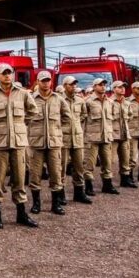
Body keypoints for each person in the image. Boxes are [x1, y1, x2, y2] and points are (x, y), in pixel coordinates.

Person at [0, 64, 39, 229]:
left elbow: (33, 111)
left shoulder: (22, 93)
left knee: (19, 179)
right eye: (4, 73)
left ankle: (21, 213)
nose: (7, 76)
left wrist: (21, 125)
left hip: (18, 143)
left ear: (13, 75)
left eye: (10, 73)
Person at [27, 71, 71, 215]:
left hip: (54, 142)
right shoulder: (31, 98)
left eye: (48, 80)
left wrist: (57, 129)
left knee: (56, 174)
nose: (46, 83)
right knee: (35, 175)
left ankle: (56, 204)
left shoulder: (58, 99)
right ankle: (36, 204)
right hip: (36, 143)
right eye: (43, 80)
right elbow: (23, 118)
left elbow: (67, 117)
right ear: (38, 82)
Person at [83, 78, 119, 195]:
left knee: (107, 162)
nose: (103, 86)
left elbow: (112, 118)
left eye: (104, 84)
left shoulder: (110, 102)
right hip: (92, 137)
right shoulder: (88, 101)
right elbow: (82, 118)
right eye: (99, 85)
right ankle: (88, 186)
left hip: (106, 136)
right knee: (89, 163)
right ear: (94, 87)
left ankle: (107, 185)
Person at [60, 76, 92, 204]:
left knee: (79, 166)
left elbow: (84, 115)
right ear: (64, 86)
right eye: (70, 84)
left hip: (77, 137)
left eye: (74, 84)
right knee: (60, 168)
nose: (73, 86)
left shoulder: (80, 100)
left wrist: (76, 125)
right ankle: (60, 194)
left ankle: (79, 193)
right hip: (63, 137)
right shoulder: (59, 99)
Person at [110, 81, 136, 188]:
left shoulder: (127, 103)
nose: (123, 89)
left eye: (123, 87)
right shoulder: (109, 102)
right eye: (119, 87)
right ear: (114, 89)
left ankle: (125, 180)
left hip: (125, 134)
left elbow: (130, 116)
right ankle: (108, 182)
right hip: (113, 135)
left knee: (125, 158)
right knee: (110, 160)